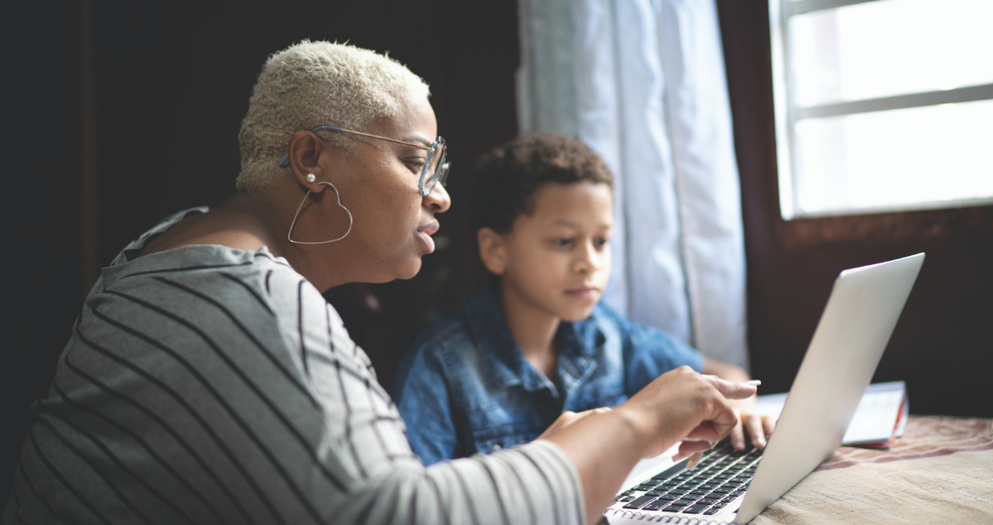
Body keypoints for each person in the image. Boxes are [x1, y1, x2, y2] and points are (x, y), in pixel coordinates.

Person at [2, 41, 757, 525]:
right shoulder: (241, 295)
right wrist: (626, 428)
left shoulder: (182, 252)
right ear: (311, 160)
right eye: (413, 161)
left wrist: (562, 444)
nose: (440, 195)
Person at [393, 133, 773, 466]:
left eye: (601, 241)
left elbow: (727, 377)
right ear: (495, 250)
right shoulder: (436, 369)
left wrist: (739, 411)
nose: (589, 263)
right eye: (563, 241)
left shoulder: (607, 334)